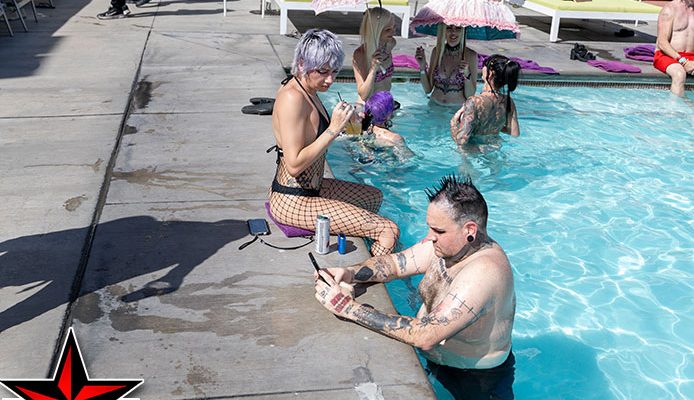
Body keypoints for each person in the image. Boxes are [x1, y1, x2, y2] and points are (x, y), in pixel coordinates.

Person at [314, 175, 516, 399]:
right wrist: (349, 273)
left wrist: (347, 307)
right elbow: (395, 265)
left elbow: (427, 336)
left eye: (438, 231)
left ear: (469, 230)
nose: (430, 238)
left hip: (476, 381)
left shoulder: (484, 272)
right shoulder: (449, 247)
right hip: (437, 359)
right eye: (430, 228)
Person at [268, 29, 399, 256]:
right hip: (292, 200)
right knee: (389, 230)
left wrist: (346, 122)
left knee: (374, 197)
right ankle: (360, 273)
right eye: (323, 71)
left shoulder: (308, 89)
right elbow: (294, 164)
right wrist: (333, 129)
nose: (330, 79)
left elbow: (311, 135)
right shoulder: (292, 98)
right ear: (302, 63)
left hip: (313, 187)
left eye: (334, 71)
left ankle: (371, 252)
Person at [450, 54, 520, 147]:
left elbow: (461, 142)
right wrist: (493, 126)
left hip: (473, 152)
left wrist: (454, 123)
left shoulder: (474, 102)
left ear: (490, 73)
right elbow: (514, 133)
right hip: (494, 149)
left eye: (484, 65)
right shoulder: (508, 101)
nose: (482, 68)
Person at [416, 25, 478, 105]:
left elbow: (470, 95)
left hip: (456, 109)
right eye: (449, 27)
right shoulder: (437, 52)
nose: (453, 32)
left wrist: (467, 74)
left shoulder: (470, 55)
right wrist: (422, 67)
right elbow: (428, 90)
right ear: (444, 30)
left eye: (458, 28)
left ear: (463, 31)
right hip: (434, 106)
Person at [352, 7, 397, 104]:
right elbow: (363, 95)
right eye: (388, 29)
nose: (393, 32)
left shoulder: (390, 44)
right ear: (377, 30)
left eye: (394, 27)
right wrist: (373, 69)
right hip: (368, 106)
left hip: (385, 103)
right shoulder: (360, 54)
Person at [654, 0, 694, 97]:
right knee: (679, 74)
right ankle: (675, 106)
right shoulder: (670, 9)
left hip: (691, 56)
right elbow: (662, 42)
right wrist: (684, 61)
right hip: (668, 55)